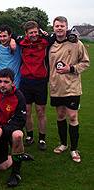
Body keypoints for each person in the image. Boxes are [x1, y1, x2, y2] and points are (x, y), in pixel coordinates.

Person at [49, 16, 90, 163]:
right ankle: (63, 144)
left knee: (72, 117)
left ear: (66, 27)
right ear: (53, 28)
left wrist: (71, 68)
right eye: (57, 26)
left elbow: (85, 62)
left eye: (62, 26)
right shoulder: (50, 44)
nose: (59, 28)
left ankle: (74, 149)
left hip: (72, 87)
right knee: (60, 116)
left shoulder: (76, 43)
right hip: (56, 87)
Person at [0, 68, 32, 187]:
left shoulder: (19, 97)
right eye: (0, 81)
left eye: (6, 82)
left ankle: (16, 173)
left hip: (9, 130)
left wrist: (3, 129)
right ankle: (18, 155)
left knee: (18, 135)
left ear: (13, 82)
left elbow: (20, 121)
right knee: (1, 167)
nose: (2, 85)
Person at [17, 21, 50, 150]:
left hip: (40, 81)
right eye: (31, 32)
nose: (34, 34)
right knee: (27, 111)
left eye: (36, 32)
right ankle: (30, 136)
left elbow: (62, 34)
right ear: (26, 34)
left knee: (41, 111)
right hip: (25, 81)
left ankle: (42, 138)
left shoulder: (45, 42)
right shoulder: (21, 42)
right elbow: (7, 35)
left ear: (39, 31)